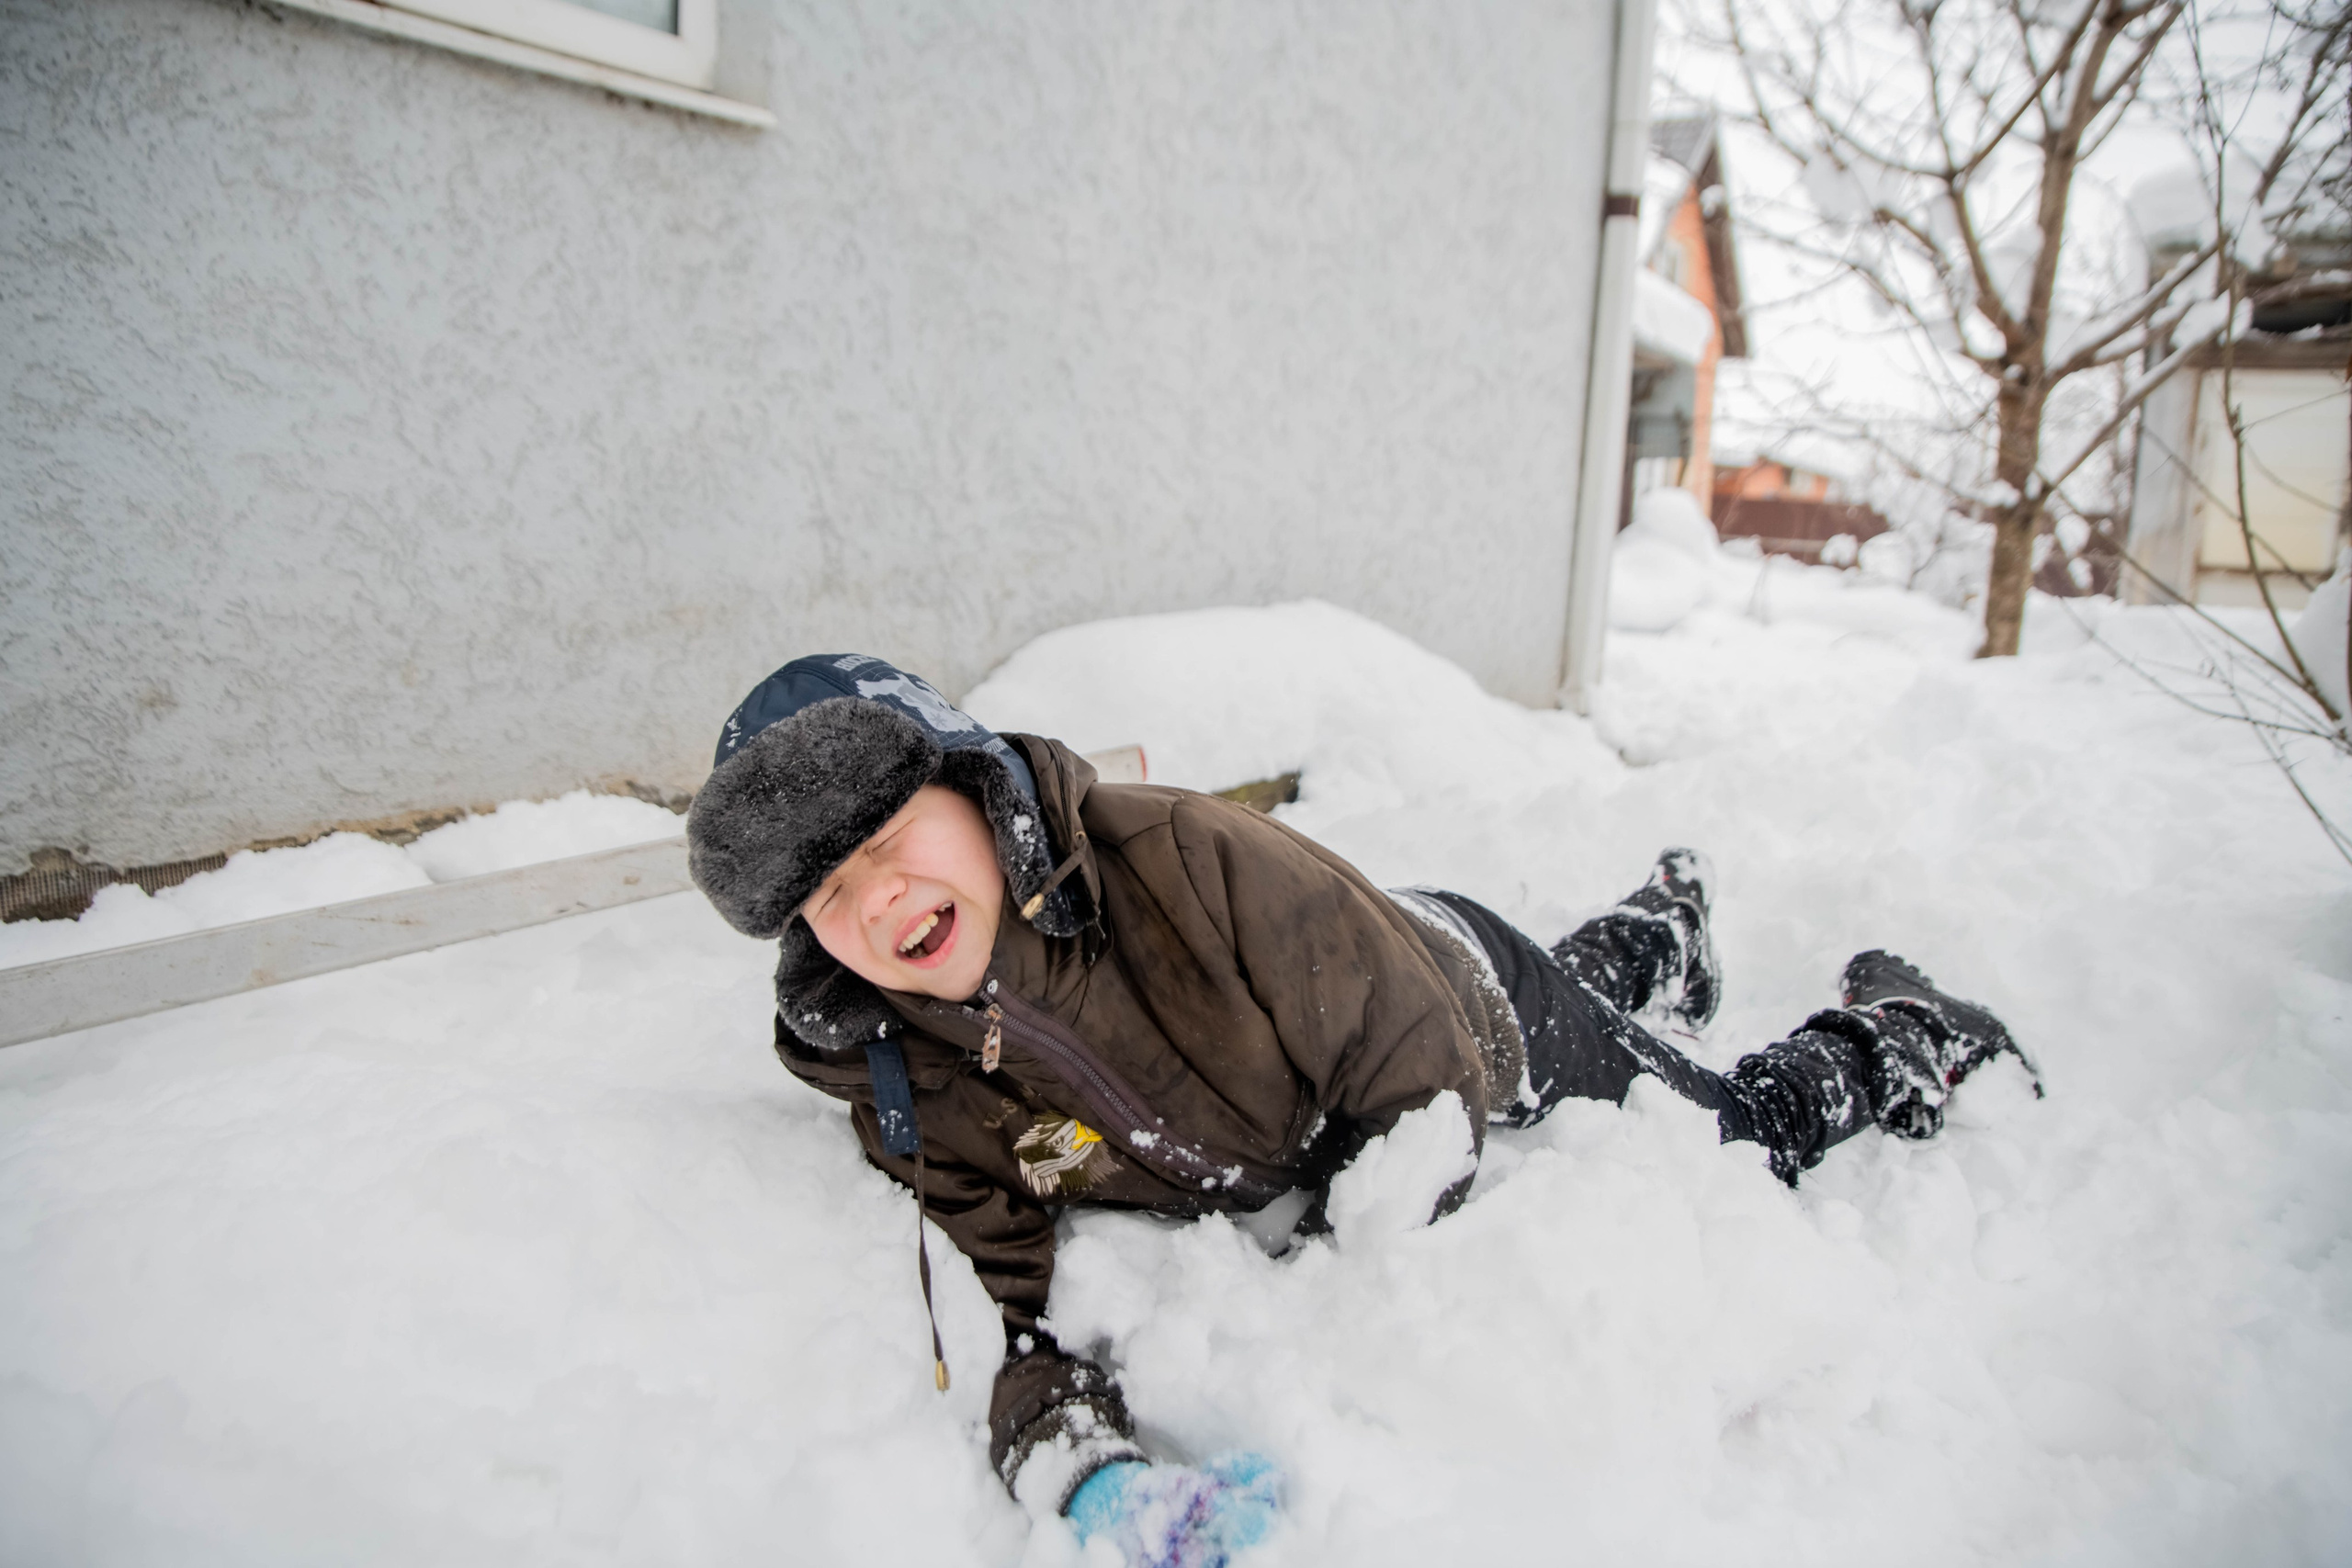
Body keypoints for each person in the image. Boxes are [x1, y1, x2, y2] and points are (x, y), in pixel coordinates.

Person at [685, 653, 2038, 1566]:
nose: (870, 902)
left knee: (1732, 1138)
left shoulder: (1182, 856)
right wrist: (1087, 1472)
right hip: (1373, 983)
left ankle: (1889, 1035)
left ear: (974, 792)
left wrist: (1349, 1296)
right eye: (824, 896)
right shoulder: (907, 1080)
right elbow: (1010, 1298)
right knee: (1600, 1001)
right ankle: (1659, 932)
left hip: (1455, 997)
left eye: (884, 844)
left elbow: (1423, 1071)